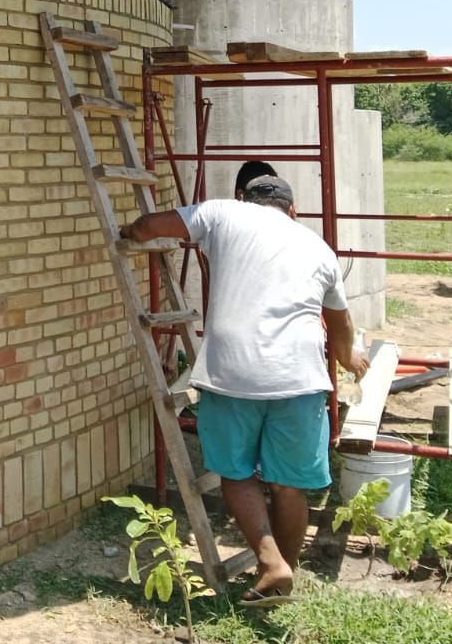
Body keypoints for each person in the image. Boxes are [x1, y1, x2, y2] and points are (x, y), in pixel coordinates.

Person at [119, 174, 368, 606]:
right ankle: (283, 574)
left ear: (245, 200)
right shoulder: (319, 248)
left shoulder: (222, 212)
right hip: (301, 379)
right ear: (292, 211)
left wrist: (129, 231)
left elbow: (149, 227)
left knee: (236, 474)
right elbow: (340, 323)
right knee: (289, 486)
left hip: (233, 374)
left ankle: (272, 565)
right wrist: (350, 359)